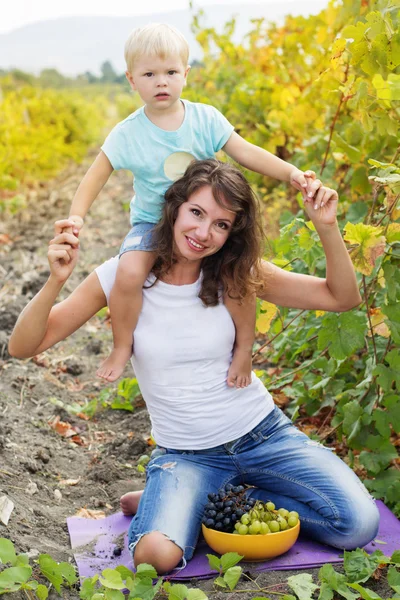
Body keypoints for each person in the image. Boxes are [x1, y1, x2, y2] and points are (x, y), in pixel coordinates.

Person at [9, 160, 379, 576]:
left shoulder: (237, 272)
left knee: (356, 525)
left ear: (232, 233)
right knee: (154, 557)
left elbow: (340, 297)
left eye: (221, 225)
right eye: (197, 213)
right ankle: (190, 492)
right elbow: (24, 346)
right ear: (175, 208)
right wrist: (55, 280)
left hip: (263, 435)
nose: (204, 233)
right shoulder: (123, 276)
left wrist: (326, 226)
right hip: (187, 455)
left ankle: (213, 498)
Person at [65, 22, 320, 388]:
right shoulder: (127, 133)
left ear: (185, 74)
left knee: (238, 277)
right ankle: (123, 345)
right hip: (153, 225)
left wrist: (292, 173)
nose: (161, 82)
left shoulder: (205, 119)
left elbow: (245, 151)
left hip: (205, 222)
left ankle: (244, 348)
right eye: (149, 74)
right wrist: (76, 216)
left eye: (170, 72)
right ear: (131, 80)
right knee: (130, 274)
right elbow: (95, 176)